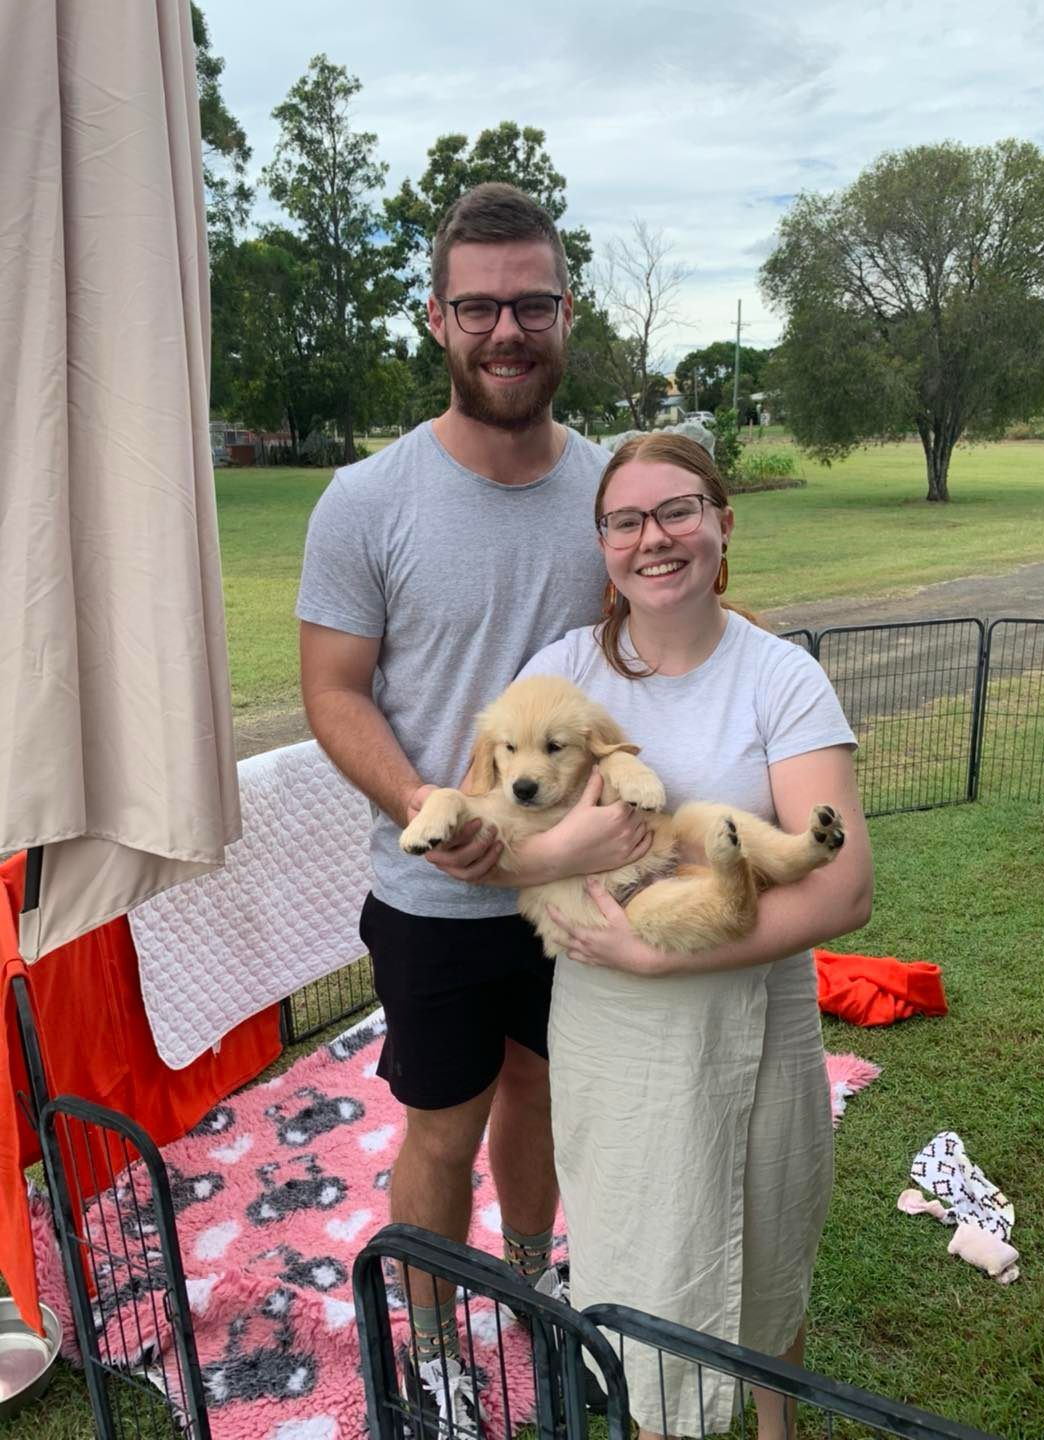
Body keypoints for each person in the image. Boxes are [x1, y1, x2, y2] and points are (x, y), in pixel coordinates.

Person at [295, 182, 650, 1424]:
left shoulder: (614, 495)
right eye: (481, 307)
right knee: (442, 1128)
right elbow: (332, 689)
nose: (509, 331)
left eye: (532, 305)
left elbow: (658, 656)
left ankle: (531, 1281)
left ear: (567, 313)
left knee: (545, 1094)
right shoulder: (366, 500)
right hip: (432, 898)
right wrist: (424, 802)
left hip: (578, 883)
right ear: (437, 318)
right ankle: (439, 1347)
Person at [518, 432, 874, 1440]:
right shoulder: (560, 675)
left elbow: (845, 890)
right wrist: (563, 851)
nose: (654, 538)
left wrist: (653, 948)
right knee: (637, 1252)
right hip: (613, 1031)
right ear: (602, 544)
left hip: (753, 1014)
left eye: (677, 510)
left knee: (766, 1241)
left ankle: (776, 1429)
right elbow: (494, 837)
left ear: (722, 522)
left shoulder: (779, 677)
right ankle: (654, 1424)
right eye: (626, 520)